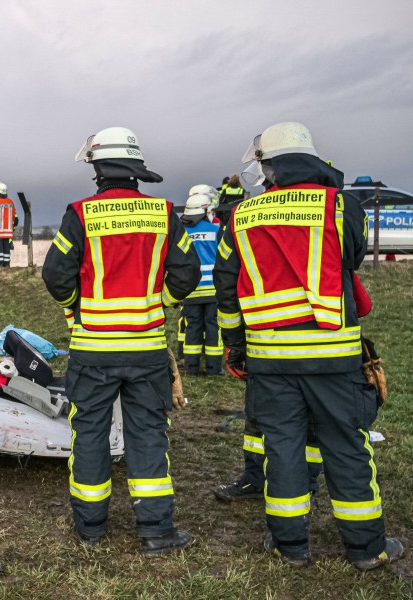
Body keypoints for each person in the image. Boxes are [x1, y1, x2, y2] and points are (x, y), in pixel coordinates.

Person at [213, 121, 403, 570]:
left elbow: (227, 287)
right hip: (333, 356)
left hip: (269, 358)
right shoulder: (341, 204)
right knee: (346, 445)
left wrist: (234, 347)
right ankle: (366, 549)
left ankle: (290, 545)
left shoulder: (242, 215)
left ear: (270, 167)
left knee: (281, 448)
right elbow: (352, 257)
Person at [42, 126, 200, 554]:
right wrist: (159, 300)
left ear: (98, 170)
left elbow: (55, 276)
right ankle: (156, 530)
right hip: (146, 347)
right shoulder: (164, 213)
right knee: (148, 433)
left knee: (89, 432)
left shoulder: (81, 214)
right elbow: (187, 274)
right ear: (134, 169)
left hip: (93, 347)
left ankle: (90, 527)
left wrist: (78, 307)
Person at [179, 194, 223, 376]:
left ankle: (192, 368)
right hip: (213, 289)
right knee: (213, 327)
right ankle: (214, 368)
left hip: (191, 289)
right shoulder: (215, 230)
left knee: (193, 327)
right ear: (207, 210)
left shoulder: (183, 232)